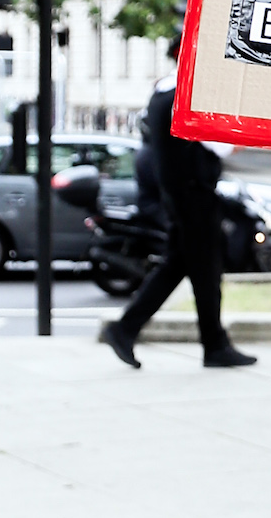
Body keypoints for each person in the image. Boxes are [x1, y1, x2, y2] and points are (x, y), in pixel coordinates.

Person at [97, 49, 255, 370]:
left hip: (177, 197)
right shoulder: (189, 95)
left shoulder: (161, 93)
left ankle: (132, 330)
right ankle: (210, 344)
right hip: (194, 197)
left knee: (184, 267)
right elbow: (226, 145)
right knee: (205, 270)